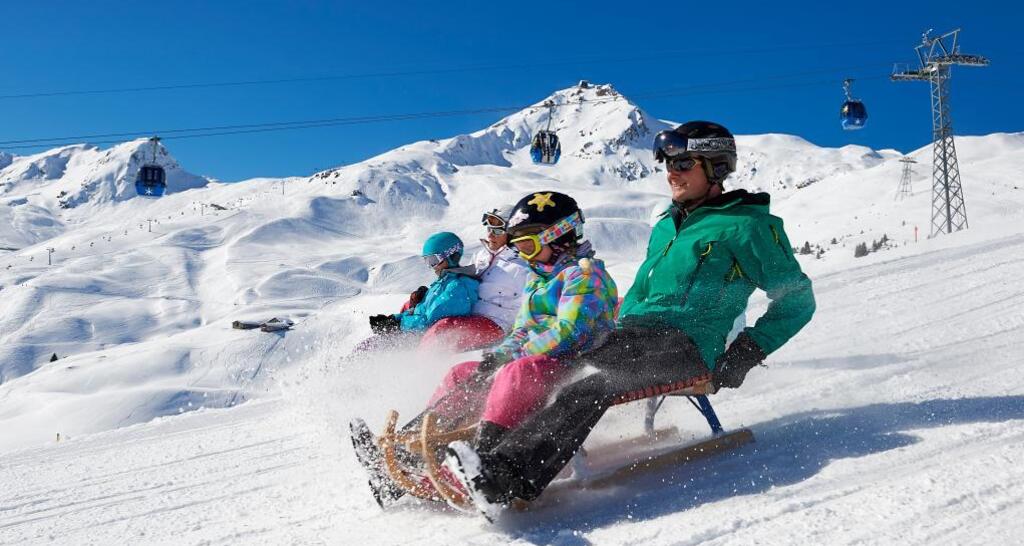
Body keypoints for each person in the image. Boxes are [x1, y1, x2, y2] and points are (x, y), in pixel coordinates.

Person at [443, 121, 817, 520]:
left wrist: (744, 353)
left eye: (684, 163)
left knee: (594, 385)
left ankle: (507, 478)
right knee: (540, 367)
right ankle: (469, 452)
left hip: (686, 346)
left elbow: (796, 300)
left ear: (717, 167)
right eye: (667, 163)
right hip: (628, 336)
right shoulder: (667, 224)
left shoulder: (749, 227)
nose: (672, 172)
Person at [351, 191, 619, 507]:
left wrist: (514, 356)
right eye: (518, 247)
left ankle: (486, 459)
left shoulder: (584, 274)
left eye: (529, 246)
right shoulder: (538, 278)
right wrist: (500, 355)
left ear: (560, 237)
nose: (526, 256)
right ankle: (408, 452)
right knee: (462, 373)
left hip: (574, 362)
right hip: (537, 359)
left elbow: (569, 331)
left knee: (515, 374)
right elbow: (522, 330)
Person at [417, 206, 530, 352]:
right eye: (489, 229)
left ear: (512, 233)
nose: (490, 235)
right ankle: (403, 348)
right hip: (470, 314)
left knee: (443, 331)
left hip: (497, 324)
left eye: (497, 231)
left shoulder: (522, 267)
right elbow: (465, 281)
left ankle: (419, 366)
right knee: (419, 308)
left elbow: (532, 308)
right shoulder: (482, 256)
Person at [359, 232, 480, 352]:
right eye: (427, 261)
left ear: (452, 256)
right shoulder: (443, 283)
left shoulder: (457, 288)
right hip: (412, 335)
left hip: (422, 342)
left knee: (367, 350)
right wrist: (393, 319)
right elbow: (419, 311)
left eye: (434, 260)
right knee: (365, 346)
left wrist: (397, 325)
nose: (432, 266)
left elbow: (428, 322)